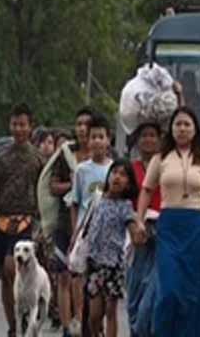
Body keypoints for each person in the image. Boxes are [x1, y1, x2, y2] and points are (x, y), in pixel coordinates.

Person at [135, 106, 200, 337]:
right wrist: (139, 220)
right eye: (178, 124)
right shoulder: (160, 158)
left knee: (195, 290)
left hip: (196, 227)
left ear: (195, 130)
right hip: (169, 227)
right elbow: (146, 190)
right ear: (171, 129)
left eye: (186, 124)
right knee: (169, 291)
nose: (182, 129)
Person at [0, 103, 45, 337]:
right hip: (2, 219)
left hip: (27, 220)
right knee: (5, 277)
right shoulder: (0, 155)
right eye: (15, 124)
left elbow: (44, 190)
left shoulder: (38, 158)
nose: (19, 129)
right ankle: (13, 326)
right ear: (10, 125)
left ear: (30, 126)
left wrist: (45, 221)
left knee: (12, 265)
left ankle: (27, 310)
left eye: (23, 124)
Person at [49, 107, 93, 337]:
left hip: (92, 227)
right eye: (79, 124)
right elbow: (53, 186)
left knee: (85, 279)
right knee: (64, 276)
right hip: (65, 223)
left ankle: (82, 322)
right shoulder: (65, 154)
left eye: (87, 124)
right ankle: (67, 328)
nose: (82, 129)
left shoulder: (103, 155)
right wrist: (73, 185)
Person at [85, 158, 141, 337]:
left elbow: (132, 226)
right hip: (94, 262)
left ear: (128, 183)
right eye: (114, 172)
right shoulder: (98, 199)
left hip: (114, 265)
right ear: (108, 176)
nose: (117, 177)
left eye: (123, 175)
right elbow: (87, 224)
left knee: (110, 310)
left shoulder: (125, 206)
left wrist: (139, 231)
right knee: (94, 315)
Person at [70, 112, 114, 337]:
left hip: (109, 238)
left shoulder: (115, 169)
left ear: (108, 140)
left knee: (108, 291)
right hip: (86, 236)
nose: (97, 141)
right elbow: (75, 203)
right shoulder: (81, 170)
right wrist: (74, 234)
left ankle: (101, 327)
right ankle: (88, 326)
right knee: (87, 287)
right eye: (93, 137)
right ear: (87, 141)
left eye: (101, 137)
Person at [125, 123, 162, 337]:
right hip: (137, 232)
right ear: (137, 141)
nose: (148, 140)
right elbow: (124, 200)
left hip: (162, 231)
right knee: (136, 287)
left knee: (153, 289)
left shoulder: (166, 167)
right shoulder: (131, 168)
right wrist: (133, 223)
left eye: (153, 135)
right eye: (144, 136)